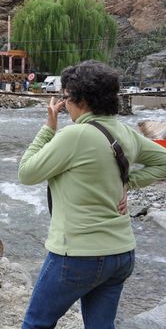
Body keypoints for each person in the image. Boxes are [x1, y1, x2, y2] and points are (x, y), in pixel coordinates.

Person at [18, 61, 166, 329]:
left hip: (76, 255)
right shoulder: (125, 132)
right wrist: (128, 182)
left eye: (65, 98)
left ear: (81, 100)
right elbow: (164, 161)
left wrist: (48, 129)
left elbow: (26, 173)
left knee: (36, 323)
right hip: (121, 254)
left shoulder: (74, 135)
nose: (64, 105)